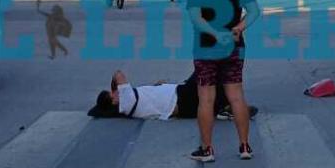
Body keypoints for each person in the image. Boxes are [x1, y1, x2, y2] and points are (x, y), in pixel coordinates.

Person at [185, 0, 259, 162]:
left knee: (206, 99)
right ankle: (245, 147)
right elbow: (254, 11)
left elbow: (196, 19)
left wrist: (215, 34)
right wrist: (238, 27)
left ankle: (207, 150)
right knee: (236, 96)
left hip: (206, 49)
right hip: (235, 47)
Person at [87, 69, 258, 121]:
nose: (116, 92)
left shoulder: (129, 102)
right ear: (114, 100)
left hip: (180, 98)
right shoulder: (126, 103)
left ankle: (225, 108)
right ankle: (230, 107)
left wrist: (156, 86)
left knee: (206, 81)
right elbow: (118, 74)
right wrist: (114, 86)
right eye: (113, 94)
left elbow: (148, 98)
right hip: (180, 99)